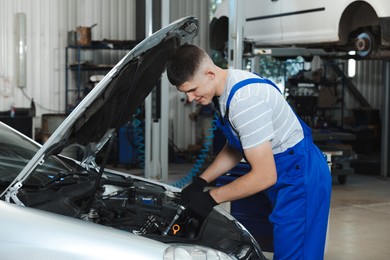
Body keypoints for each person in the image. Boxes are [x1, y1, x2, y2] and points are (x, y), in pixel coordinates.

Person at [166, 44, 331, 260]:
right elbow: (236, 146)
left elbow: (265, 176)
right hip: (283, 170)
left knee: (296, 255)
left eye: (192, 90)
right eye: (185, 92)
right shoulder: (223, 91)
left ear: (210, 74)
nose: (189, 98)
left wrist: (211, 198)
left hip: (300, 176)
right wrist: (201, 180)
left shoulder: (245, 101)